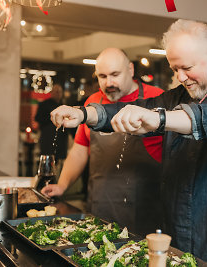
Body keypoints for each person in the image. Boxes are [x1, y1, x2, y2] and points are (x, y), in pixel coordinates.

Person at [49, 20, 207, 266]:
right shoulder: (179, 95)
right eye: (174, 69)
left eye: (186, 67)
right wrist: (84, 114)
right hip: (177, 238)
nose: (180, 77)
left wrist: (159, 119)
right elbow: (134, 109)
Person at [41, 48, 165, 236]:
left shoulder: (157, 98)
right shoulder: (93, 103)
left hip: (145, 211)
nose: (109, 83)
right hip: (100, 206)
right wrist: (62, 185)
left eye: (115, 75)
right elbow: (79, 150)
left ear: (131, 70)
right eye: (102, 76)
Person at [34, 84, 68, 164]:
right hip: (48, 137)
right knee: (47, 161)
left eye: (59, 92)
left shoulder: (63, 105)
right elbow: (38, 118)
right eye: (56, 92)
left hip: (61, 138)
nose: (58, 94)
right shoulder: (44, 104)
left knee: (59, 162)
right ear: (51, 93)